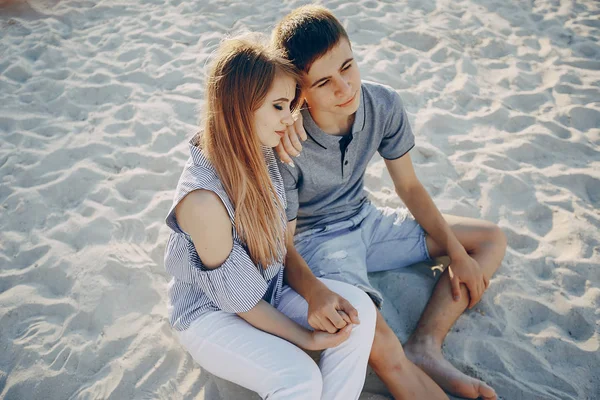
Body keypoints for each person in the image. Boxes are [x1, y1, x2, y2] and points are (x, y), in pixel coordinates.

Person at [271, 5, 507, 400]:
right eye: (324, 81)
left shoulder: (383, 103)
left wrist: (455, 251)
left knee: (489, 240)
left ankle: (426, 346)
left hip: (369, 220)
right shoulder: (288, 141)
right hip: (317, 242)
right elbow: (286, 245)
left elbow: (410, 188)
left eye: (348, 66)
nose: (344, 88)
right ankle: (404, 368)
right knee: (364, 325)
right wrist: (314, 291)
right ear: (301, 92)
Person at [163, 35, 377, 400]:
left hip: (268, 289)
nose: (290, 118)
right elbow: (242, 303)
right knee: (299, 379)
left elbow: (279, 247)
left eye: (291, 105)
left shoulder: (258, 148)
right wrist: (306, 337)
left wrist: (316, 296)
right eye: (279, 106)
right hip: (211, 314)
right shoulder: (203, 202)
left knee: (356, 314)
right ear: (240, 106)